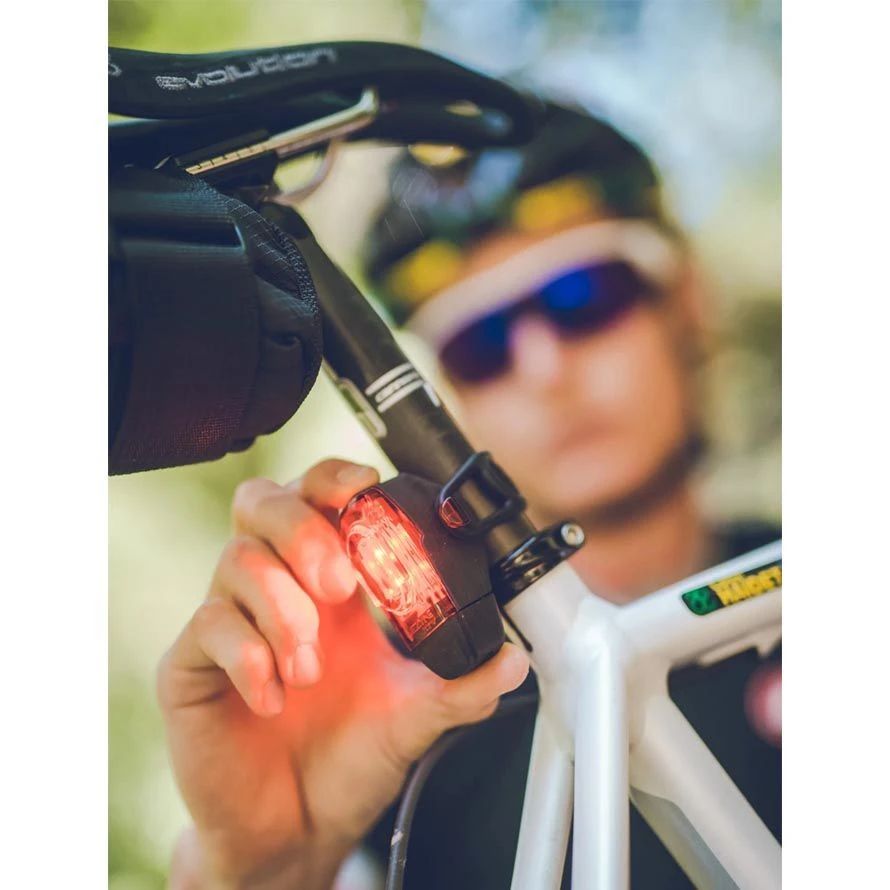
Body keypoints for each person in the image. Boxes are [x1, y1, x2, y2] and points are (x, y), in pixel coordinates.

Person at [158, 102, 780, 890]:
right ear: (451, 395)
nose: (544, 371)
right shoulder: (408, 723)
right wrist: (262, 870)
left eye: (584, 297)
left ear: (685, 298)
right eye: (481, 345)